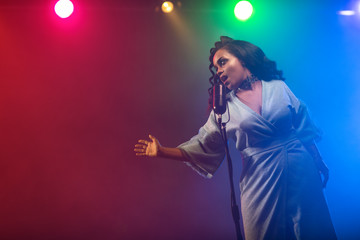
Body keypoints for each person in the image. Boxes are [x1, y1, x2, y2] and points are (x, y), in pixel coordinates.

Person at [134, 36, 337, 240]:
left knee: (315, 229)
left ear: (243, 59)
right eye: (216, 68)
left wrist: (318, 160)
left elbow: (302, 125)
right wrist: (161, 151)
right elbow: (202, 145)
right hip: (260, 177)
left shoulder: (277, 86)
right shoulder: (223, 109)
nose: (219, 71)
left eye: (223, 62)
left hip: (300, 166)